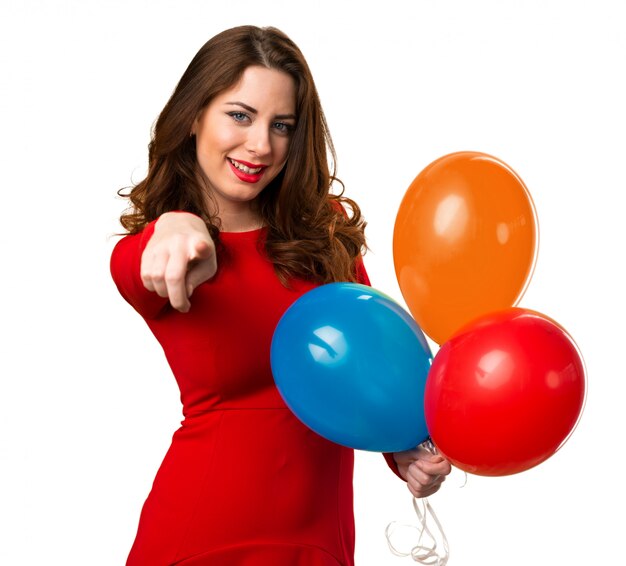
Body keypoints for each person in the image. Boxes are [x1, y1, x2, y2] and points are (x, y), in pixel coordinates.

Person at [110, 25, 451, 566]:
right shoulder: (168, 251)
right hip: (202, 539)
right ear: (195, 114)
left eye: (281, 125)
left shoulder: (326, 234)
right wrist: (172, 227)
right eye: (239, 115)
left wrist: (403, 449)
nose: (260, 145)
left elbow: (370, 366)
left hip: (319, 541)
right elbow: (139, 267)